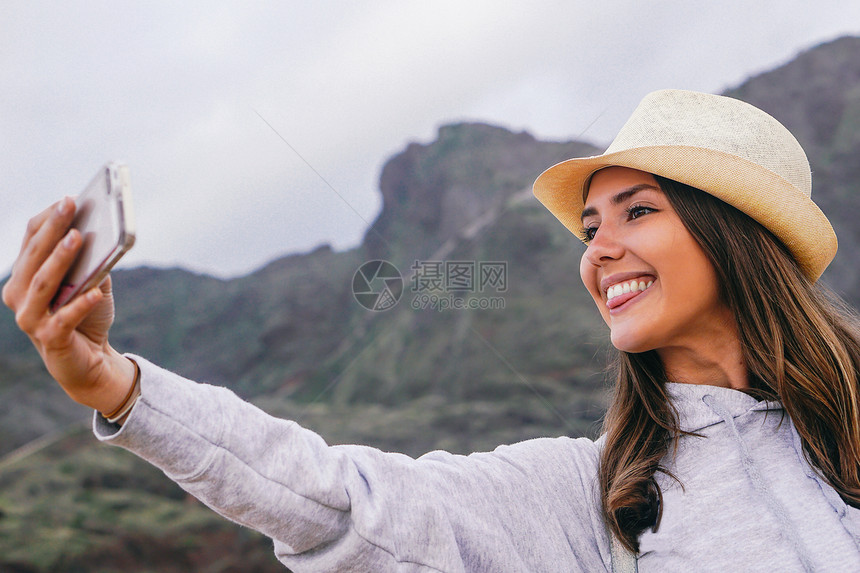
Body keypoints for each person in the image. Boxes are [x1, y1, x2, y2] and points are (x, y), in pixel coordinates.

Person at [4, 89, 860, 572]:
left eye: (639, 210)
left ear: (739, 235)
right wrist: (116, 384)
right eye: (592, 227)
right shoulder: (601, 496)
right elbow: (340, 500)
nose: (602, 249)